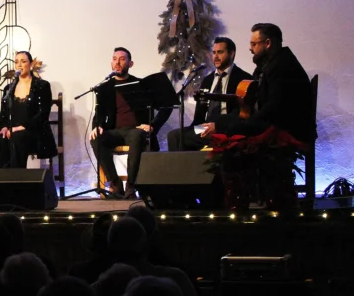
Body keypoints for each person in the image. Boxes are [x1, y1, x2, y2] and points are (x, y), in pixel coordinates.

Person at [200, 23, 313, 142]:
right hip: (268, 122)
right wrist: (221, 123)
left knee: (230, 129)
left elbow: (273, 108)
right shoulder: (266, 66)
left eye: (254, 44)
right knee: (220, 122)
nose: (250, 48)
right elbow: (249, 103)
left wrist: (241, 124)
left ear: (268, 43)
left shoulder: (283, 65)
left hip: (284, 130)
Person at [90, 47, 172, 198]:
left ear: (130, 63)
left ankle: (131, 185)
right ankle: (115, 183)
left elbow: (167, 107)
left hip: (135, 130)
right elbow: (99, 112)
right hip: (114, 131)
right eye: (114, 59)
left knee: (137, 135)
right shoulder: (105, 87)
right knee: (96, 138)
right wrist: (97, 127)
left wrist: (153, 125)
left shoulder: (141, 85)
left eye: (122, 59)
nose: (117, 63)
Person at [167, 37, 253, 151]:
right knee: (174, 135)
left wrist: (218, 125)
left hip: (227, 127)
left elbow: (241, 113)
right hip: (205, 127)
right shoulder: (207, 80)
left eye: (220, 52)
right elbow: (200, 114)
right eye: (214, 52)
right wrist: (196, 128)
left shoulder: (243, 79)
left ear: (231, 54)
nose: (216, 56)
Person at [0, 51, 57, 169]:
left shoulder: (42, 85)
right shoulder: (8, 88)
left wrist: (19, 128)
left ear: (31, 64)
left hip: (36, 132)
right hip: (14, 132)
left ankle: (18, 177)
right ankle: (4, 177)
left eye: (23, 61)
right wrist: (4, 128)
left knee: (17, 138)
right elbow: (3, 114)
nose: (19, 65)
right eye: (16, 62)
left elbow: (42, 114)